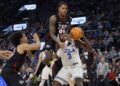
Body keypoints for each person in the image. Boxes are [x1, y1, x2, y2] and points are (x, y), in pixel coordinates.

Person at [49, 1, 72, 79]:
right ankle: (54, 78)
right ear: (59, 9)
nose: (65, 10)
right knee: (57, 59)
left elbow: (67, 31)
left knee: (66, 60)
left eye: (66, 8)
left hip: (63, 39)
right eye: (63, 8)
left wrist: (67, 39)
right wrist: (58, 41)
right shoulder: (53, 18)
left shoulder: (70, 18)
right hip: (54, 40)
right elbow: (52, 34)